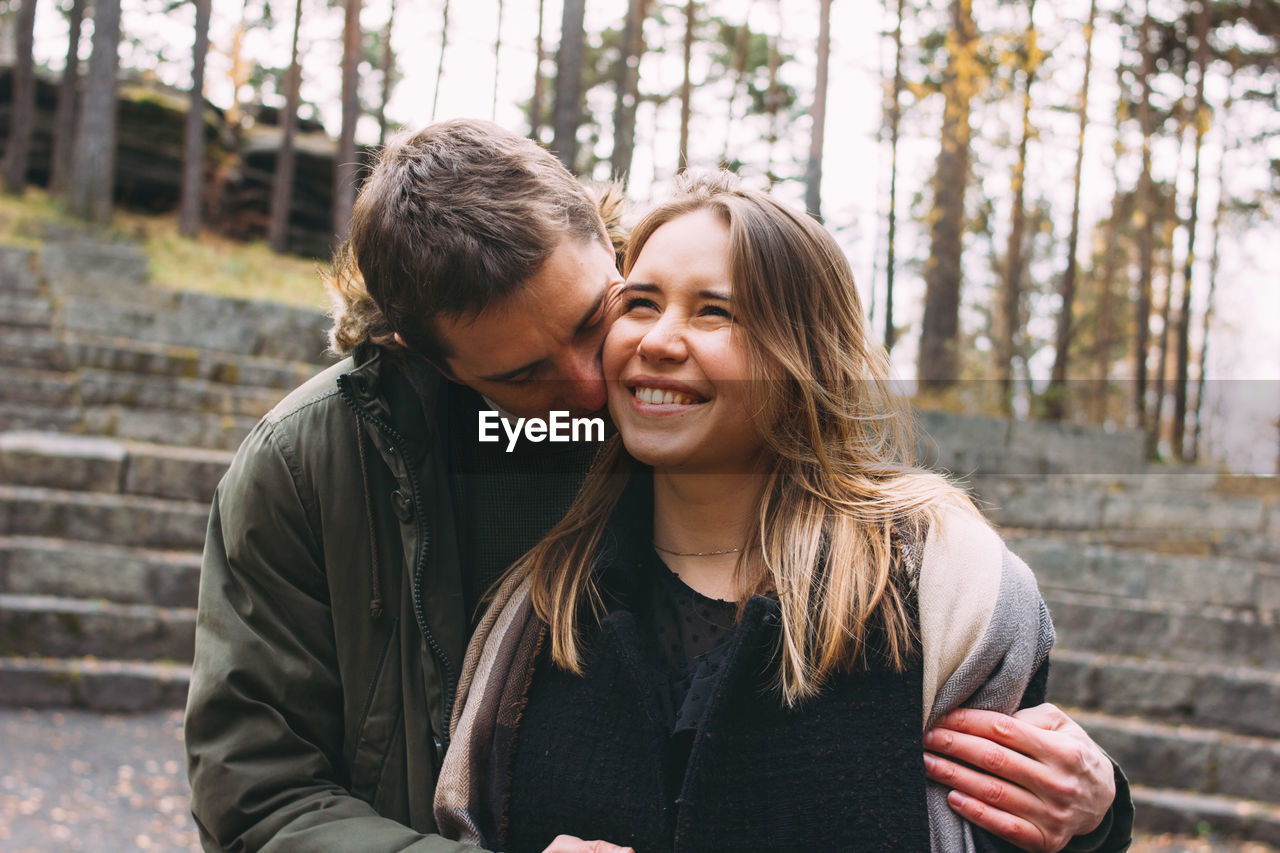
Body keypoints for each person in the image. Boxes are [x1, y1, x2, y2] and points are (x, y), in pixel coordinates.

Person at [185, 119, 1129, 852]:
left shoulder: (922, 572)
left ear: (609, 239)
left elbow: (997, 794)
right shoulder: (315, 469)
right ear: (421, 354)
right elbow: (256, 787)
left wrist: (1091, 810)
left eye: (602, 312)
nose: (598, 380)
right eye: (525, 377)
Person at [434, 172, 1131, 853]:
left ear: (800, 356)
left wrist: (1096, 825)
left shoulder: (944, 587)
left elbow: (1030, 819)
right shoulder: (536, 606)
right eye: (641, 303)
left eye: (714, 311)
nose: (658, 340)